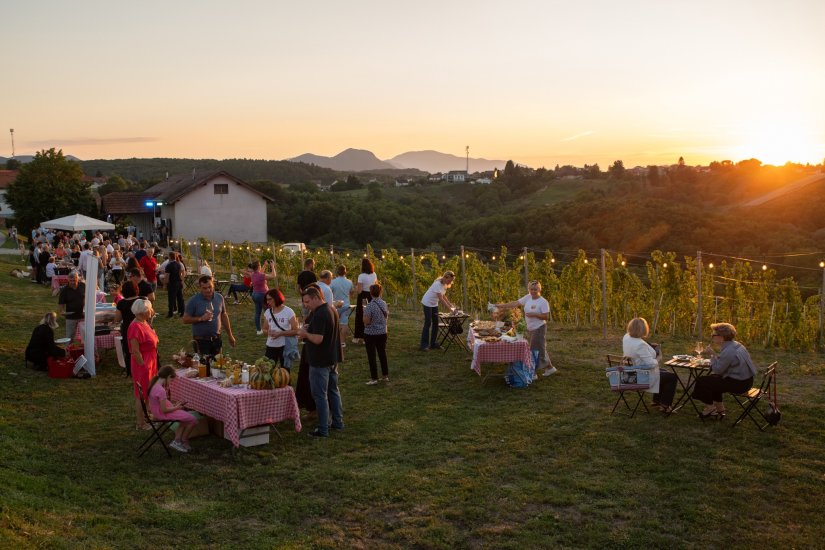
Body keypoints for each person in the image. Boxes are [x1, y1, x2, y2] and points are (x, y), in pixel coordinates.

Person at [298, 286, 343, 437]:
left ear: (316, 297)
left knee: (320, 395)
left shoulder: (320, 314)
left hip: (319, 361)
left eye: (307, 301)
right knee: (333, 392)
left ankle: (323, 429)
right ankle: (338, 422)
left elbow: (318, 339)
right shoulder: (331, 309)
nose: (306, 305)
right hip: (332, 359)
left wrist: (305, 334)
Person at [692, 322, 756, 420]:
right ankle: (720, 408)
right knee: (713, 379)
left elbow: (718, 370)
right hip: (746, 381)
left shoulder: (729, 350)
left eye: (713, 335)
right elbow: (725, 363)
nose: (712, 337)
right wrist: (714, 355)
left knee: (702, 381)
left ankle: (710, 408)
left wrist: (712, 355)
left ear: (722, 337)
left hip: (739, 384)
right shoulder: (736, 345)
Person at [495, 280, 557, 376]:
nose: (533, 291)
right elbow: (515, 303)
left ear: (539, 289)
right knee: (540, 348)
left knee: (533, 350)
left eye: (535, 289)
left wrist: (534, 314)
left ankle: (532, 373)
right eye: (531, 289)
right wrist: (501, 306)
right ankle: (550, 368)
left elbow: (546, 317)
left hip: (539, 328)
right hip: (531, 328)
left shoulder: (543, 302)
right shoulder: (528, 297)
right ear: (528, 289)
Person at [622, 317, 678, 412]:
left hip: (628, 374)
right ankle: (665, 405)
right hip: (639, 377)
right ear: (644, 329)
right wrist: (658, 358)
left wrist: (649, 346)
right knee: (672, 377)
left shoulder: (627, 337)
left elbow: (637, 345)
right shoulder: (640, 345)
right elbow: (651, 364)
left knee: (664, 372)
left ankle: (657, 400)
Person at [146, 366, 198, 453]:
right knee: (193, 419)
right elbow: (164, 410)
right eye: (171, 380)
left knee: (185, 418)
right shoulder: (161, 390)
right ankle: (182, 441)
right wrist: (176, 407)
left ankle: (177, 441)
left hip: (158, 411)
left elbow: (162, 404)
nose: (170, 382)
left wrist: (174, 406)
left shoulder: (154, 385)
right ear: (168, 376)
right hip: (162, 414)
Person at [182, 275, 236, 357]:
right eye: (204, 288)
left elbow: (223, 315)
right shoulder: (193, 300)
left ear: (213, 285)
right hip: (201, 341)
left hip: (216, 339)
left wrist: (230, 335)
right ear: (199, 288)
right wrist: (201, 318)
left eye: (210, 287)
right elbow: (185, 319)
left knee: (218, 366)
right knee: (203, 367)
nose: (208, 290)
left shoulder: (219, 298)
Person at [128, 298, 158, 430]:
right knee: (141, 393)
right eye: (149, 309)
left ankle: (146, 415)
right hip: (143, 364)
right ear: (143, 311)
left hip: (151, 361)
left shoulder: (144, 322)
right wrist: (144, 367)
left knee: (148, 391)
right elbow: (135, 351)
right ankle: (140, 423)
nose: (152, 311)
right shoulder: (135, 327)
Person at [419, 271, 456, 351]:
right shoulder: (437, 284)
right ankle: (424, 345)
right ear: (446, 277)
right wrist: (450, 309)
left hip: (434, 304)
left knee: (436, 323)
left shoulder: (444, 284)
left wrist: (451, 305)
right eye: (450, 280)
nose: (451, 282)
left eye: (452, 280)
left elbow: (444, 296)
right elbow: (441, 299)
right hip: (427, 302)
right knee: (428, 322)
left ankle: (433, 344)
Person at [263, 288, 299, 370]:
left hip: (285, 346)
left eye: (270, 299)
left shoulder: (289, 311)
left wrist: (280, 333)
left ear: (276, 298)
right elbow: (264, 329)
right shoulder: (268, 312)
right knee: (267, 371)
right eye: (266, 300)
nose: (268, 302)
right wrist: (268, 332)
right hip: (271, 345)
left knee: (285, 372)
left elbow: (296, 331)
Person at [363, 283, 389, 385]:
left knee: (372, 355)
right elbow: (386, 316)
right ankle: (385, 375)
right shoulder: (384, 303)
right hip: (382, 332)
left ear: (370, 293)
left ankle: (374, 378)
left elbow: (367, 321)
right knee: (382, 353)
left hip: (371, 333)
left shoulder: (369, 306)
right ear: (380, 292)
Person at [115, 281, 141, 377]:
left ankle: (131, 371)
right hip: (142, 327)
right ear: (136, 289)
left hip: (128, 329)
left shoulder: (121, 303)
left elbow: (117, 319)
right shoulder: (143, 300)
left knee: (129, 350)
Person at [354, 258, 377, 343]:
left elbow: (359, 290)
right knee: (371, 315)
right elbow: (376, 285)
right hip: (371, 295)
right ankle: (371, 334)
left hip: (363, 297)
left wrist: (356, 287)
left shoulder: (361, 276)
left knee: (361, 316)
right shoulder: (374, 274)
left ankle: (359, 337)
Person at [250, 260, 276, 335]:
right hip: (262, 295)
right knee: (268, 312)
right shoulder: (261, 276)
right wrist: (272, 266)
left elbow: (259, 272)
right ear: (258, 267)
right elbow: (273, 276)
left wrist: (265, 265)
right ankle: (270, 328)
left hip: (254, 295)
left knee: (257, 313)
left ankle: (259, 330)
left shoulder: (253, 274)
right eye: (260, 265)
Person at [330, 264, 354, 346]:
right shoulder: (349, 282)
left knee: (334, 323)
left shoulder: (333, 282)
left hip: (335, 305)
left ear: (337, 272)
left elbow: (330, 292)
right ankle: (342, 342)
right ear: (345, 272)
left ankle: (335, 340)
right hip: (346, 305)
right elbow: (351, 292)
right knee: (344, 323)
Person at [58, 270, 86, 340]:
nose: (72, 282)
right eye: (71, 281)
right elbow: (61, 302)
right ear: (68, 280)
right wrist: (61, 311)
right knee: (70, 335)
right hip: (71, 316)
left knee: (85, 334)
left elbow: (87, 296)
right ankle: (68, 349)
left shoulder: (83, 285)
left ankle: (84, 349)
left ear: (77, 279)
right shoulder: (65, 290)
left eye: (74, 280)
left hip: (83, 315)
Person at [164, 252, 185, 317]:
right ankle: (182, 311)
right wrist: (181, 281)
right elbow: (180, 274)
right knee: (180, 298)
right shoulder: (178, 264)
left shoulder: (168, 265)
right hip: (178, 282)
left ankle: (171, 313)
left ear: (170, 257)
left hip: (172, 283)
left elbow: (167, 276)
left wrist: (165, 284)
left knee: (171, 298)